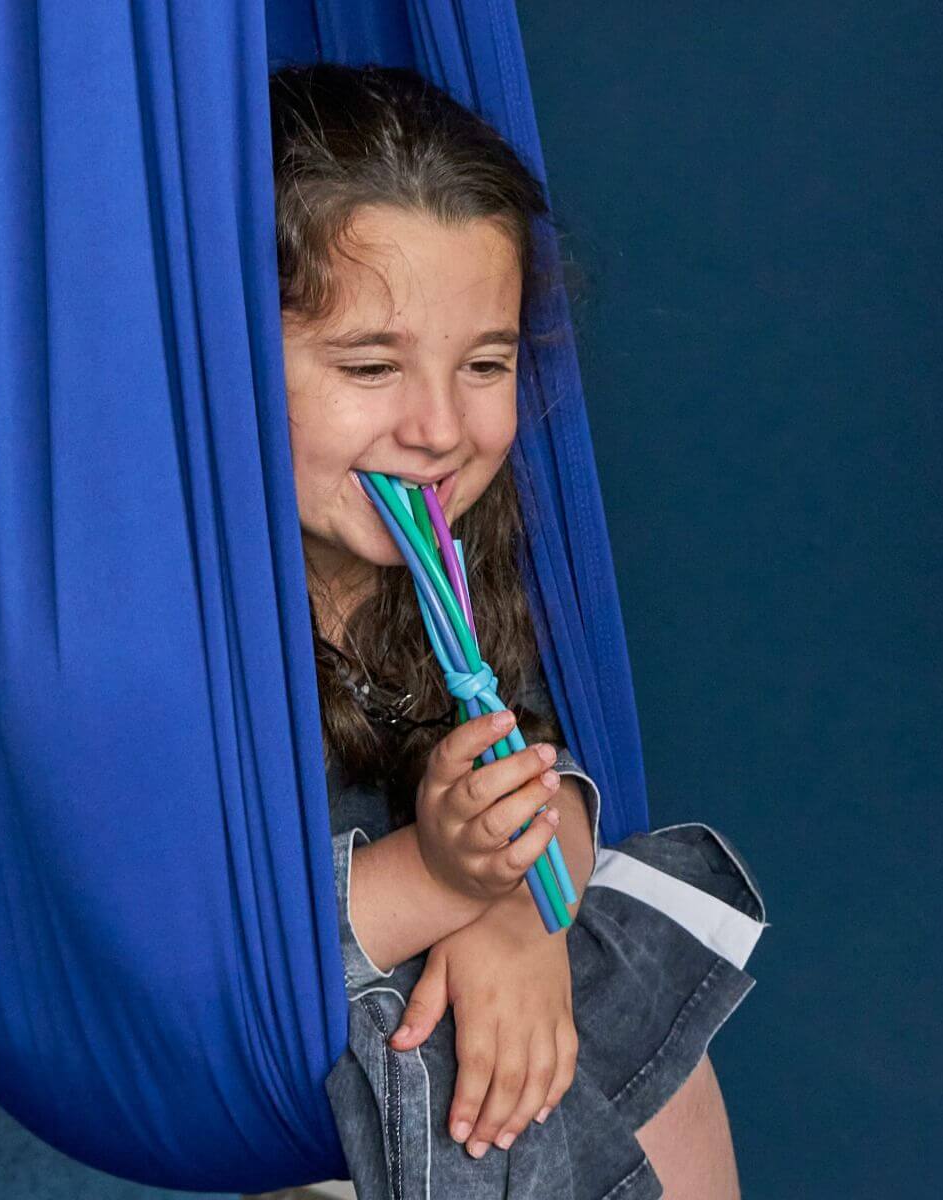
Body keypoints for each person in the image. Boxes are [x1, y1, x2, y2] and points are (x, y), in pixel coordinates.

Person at [272, 62, 767, 1200]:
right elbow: (200, 958)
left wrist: (522, 913)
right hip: (312, 1102)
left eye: (485, 363)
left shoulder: (463, 551)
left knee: (628, 1000)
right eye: (367, 365)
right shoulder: (168, 629)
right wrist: (451, 881)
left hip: (505, 1051)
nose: (440, 427)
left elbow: (547, 776)